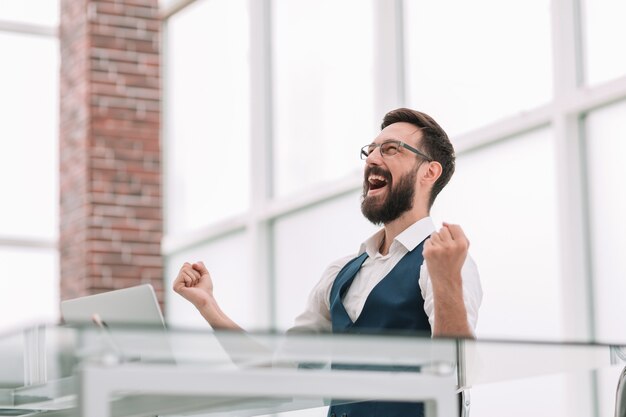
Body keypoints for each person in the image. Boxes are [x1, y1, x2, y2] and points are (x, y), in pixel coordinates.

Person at [173, 108, 483, 417]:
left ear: (429, 172)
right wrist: (208, 307)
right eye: (371, 150)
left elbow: (458, 374)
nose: (373, 159)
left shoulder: (447, 264)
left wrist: (446, 281)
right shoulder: (341, 273)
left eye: (390, 149)